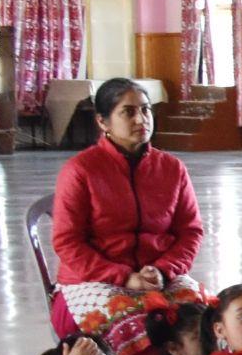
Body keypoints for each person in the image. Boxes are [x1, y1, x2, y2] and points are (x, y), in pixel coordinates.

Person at [50, 77, 206, 299]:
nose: (141, 119)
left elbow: (190, 232)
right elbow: (67, 242)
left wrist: (163, 270)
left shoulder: (172, 168)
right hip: (92, 280)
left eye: (145, 110)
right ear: (103, 122)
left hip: (159, 278)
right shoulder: (80, 170)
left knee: (205, 316)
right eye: (128, 112)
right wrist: (124, 277)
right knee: (134, 319)